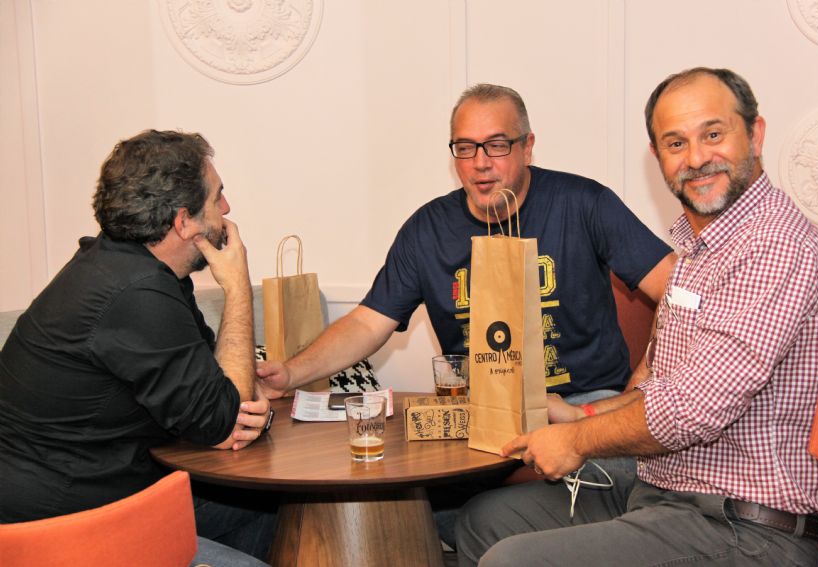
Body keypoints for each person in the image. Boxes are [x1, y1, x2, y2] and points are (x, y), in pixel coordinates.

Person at [454, 68, 818, 567]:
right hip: (665, 494)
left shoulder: (775, 247)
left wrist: (575, 440)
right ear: (657, 156)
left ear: (755, 134)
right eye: (675, 143)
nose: (696, 158)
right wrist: (582, 415)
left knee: (512, 562)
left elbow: (694, 407)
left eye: (713, 134)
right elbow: (663, 386)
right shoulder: (700, 249)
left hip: (749, 527)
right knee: (484, 520)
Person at [258, 83, 675, 405]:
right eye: (465, 147)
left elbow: (679, 290)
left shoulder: (584, 204)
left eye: (497, 145)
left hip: (584, 401)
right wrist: (290, 374)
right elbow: (367, 324)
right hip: (482, 407)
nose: (480, 163)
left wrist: (644, 379)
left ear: (527, 147)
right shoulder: (427, 230)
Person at [0, 130, 275, 566]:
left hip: (108, 495)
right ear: (183, 221)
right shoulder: (136, 292)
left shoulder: (135, 268)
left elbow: (216, 388)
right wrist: (238, 287)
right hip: (60, 529)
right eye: (217, 196)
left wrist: (233, 403)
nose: (225, 208)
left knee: (267, 507)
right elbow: (224, 420)